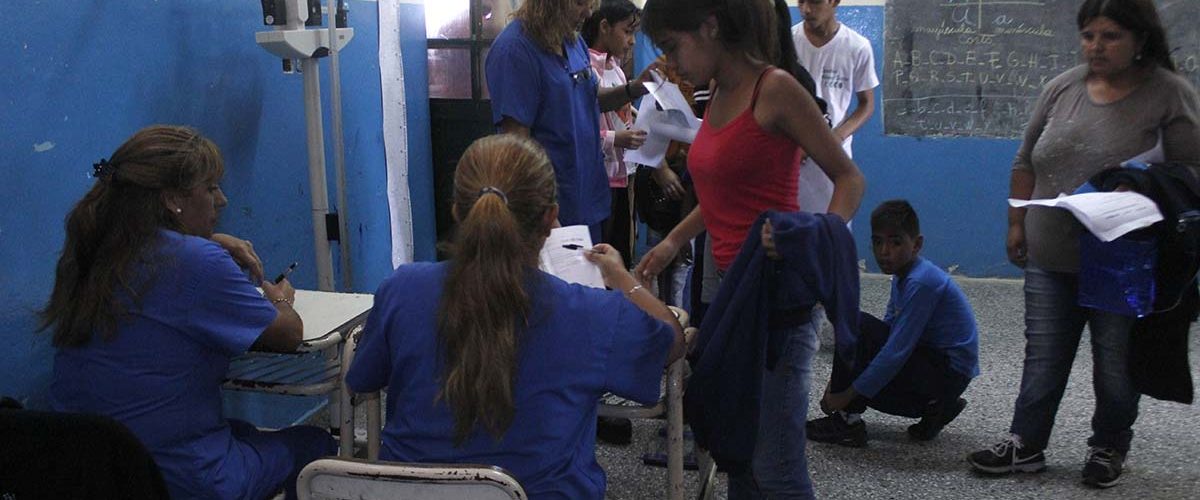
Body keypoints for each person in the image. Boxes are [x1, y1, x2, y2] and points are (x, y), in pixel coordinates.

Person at [344, 134, 684, 500]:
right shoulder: (594, 313)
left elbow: (363, 379)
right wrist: (621, 277)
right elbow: (672, 340)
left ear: (457, 211)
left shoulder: (401, 289)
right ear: (550, 219)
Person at [967, 0, 1200, 489]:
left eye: (1110, 36)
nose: (1096, 46)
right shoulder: (1062, 87)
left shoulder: (1169, 93)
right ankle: (1025, 443)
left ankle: (1108, 445)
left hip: (1122, 260)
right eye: (1089, 35)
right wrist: (1016, 223)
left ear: (1140, 39)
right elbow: (1026, 159)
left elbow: (1192, 173)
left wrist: (1140, 184)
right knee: (1043, 357)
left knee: (1115, 365)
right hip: (1050, 253)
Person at [638, 0, 865, 496]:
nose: (671, 63)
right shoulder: (719, 90)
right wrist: (674, 240)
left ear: (710, 26)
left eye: (673, 46)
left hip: (778, 293)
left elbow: (849, 179)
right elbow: (726, 191)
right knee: (738, 447)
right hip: (733, 287)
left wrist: (813, 235)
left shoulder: (775, 89)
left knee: (776, 464)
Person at [41, 125, 336, 500]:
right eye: (210, 188)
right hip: (174, 477)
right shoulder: (196, 260)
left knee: (243, 433)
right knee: (315, 446)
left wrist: (209, 241)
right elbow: (288, 334)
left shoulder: (93, 247)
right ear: (171, 200)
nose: (222, 200)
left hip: (87, 468)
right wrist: (278, 299)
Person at [806, 200, 979, 447]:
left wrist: (844, 395)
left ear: (916, 244)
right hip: (940, 371)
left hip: (947, 372)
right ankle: (938, 408)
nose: (884, 251)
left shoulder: (921, 282)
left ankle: (847, 423)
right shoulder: (903, 276)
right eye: (877, 242)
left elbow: (895, 353)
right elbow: (887, 330)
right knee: (864, 346)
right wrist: (837, 382)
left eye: (895, 242)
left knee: (856, 324)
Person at [485, 0, 654, 242]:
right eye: (579, 3)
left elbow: (591, 98)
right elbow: (515, 147)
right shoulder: (514, 50)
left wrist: (633, 88)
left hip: (590, 199)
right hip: (551, 211)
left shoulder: (573, 42)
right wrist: (546, 212)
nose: (588, 12)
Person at [791, 0, 879, 214]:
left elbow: (866, 104)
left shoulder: (857, 47)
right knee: (788, 229)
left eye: (814, 1)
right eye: (801, 1)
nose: (806, 9)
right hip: (792, 158)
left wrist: (835, 137)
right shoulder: (787, 43)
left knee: (830, 228)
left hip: (833, 164)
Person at [583, 0, 647, 267]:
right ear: (604, 27)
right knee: (602, 254)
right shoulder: (586, 66)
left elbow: (621, 113)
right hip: (599, 176)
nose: (632, 41)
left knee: (621, 250)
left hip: (622, 173)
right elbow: (580, 127)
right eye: (627, 31)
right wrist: (615, 139)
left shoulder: (616, 69)